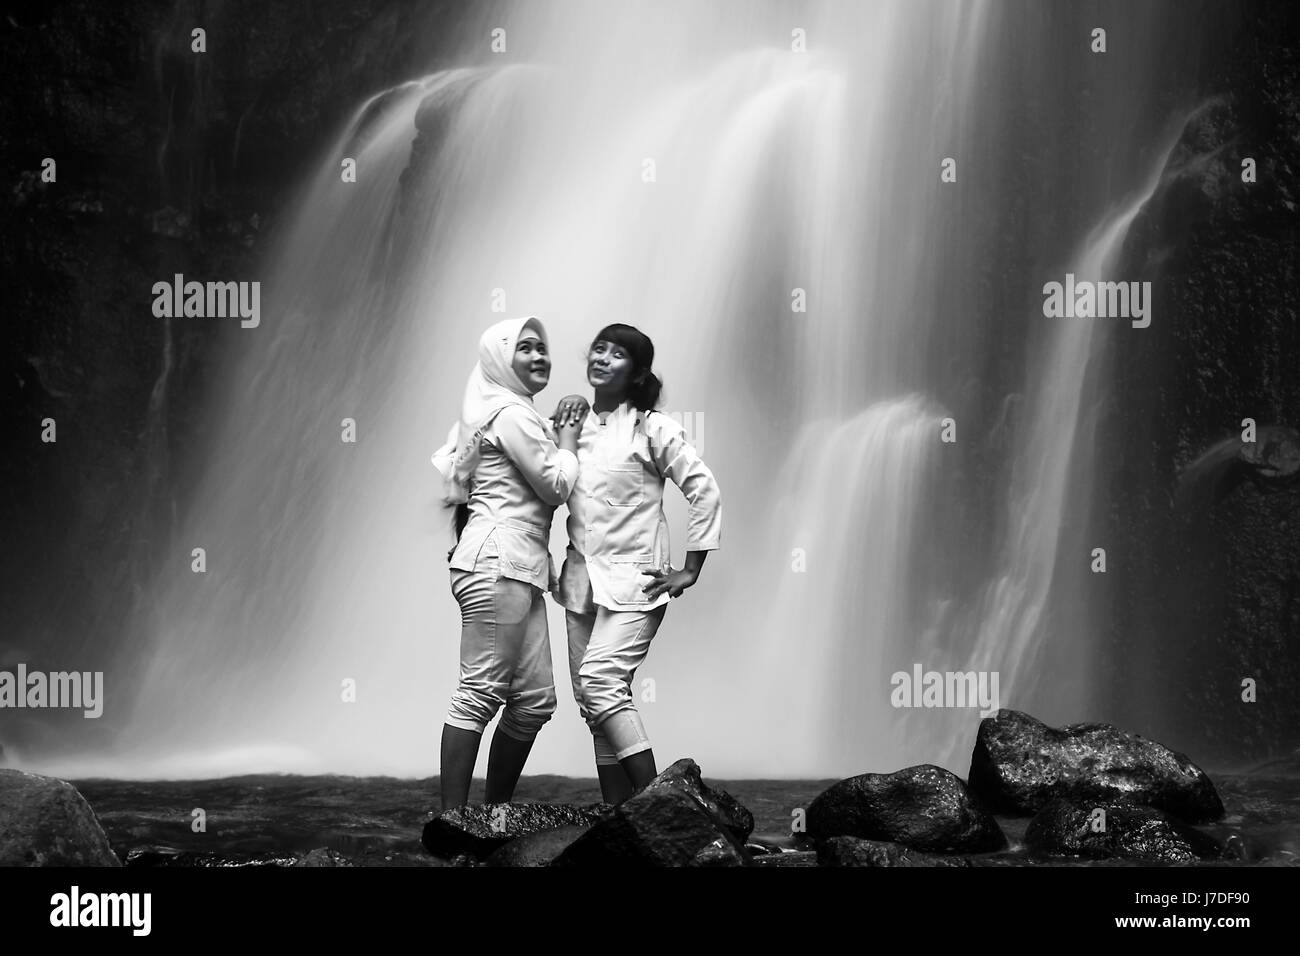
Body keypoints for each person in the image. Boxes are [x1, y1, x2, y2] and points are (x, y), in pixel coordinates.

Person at [551, 323, 721, 804]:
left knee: (601, 681)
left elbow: (702, 489)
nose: (602, 358)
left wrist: (690, 569)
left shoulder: (653, 428)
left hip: (637, 582)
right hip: (580, 580)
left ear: (638, 372)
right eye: (599, 349)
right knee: (593, 704)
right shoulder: (571, 428)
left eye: (617, 354)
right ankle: (616, 813)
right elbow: (541, 483)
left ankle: (657, 806)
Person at [431, 316, 587, 809]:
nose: (539, 357)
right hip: (498, 562)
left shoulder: (498, 411)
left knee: (536, 699)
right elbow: (555, 486)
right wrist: (567, 439)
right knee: (479, 692)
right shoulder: (509, 414)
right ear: (501, 359)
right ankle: (453, 819)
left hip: (518, 568)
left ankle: (494, 814)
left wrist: (564, 426)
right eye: (525, 349)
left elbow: (456, 483)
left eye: (542, 348)